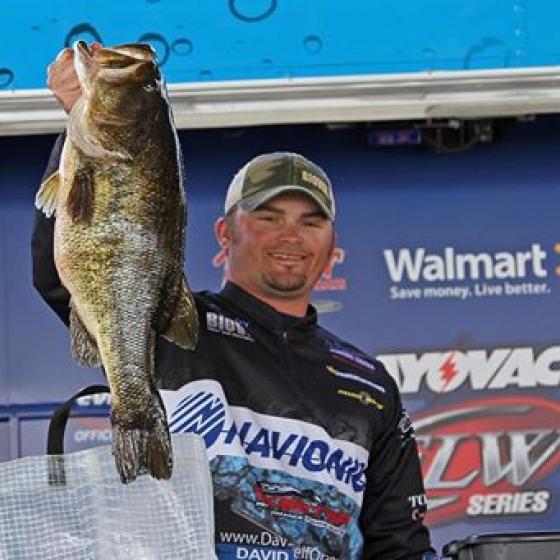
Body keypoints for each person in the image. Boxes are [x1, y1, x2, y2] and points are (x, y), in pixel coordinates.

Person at [32, 45, 436, 560]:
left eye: (311, 221)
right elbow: (67, 274)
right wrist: (79, 119)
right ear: (225, 233)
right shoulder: (175, 323)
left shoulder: (370, 384)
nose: (291, 235)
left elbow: (399, 543)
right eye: (268, 217)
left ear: (333, 245)